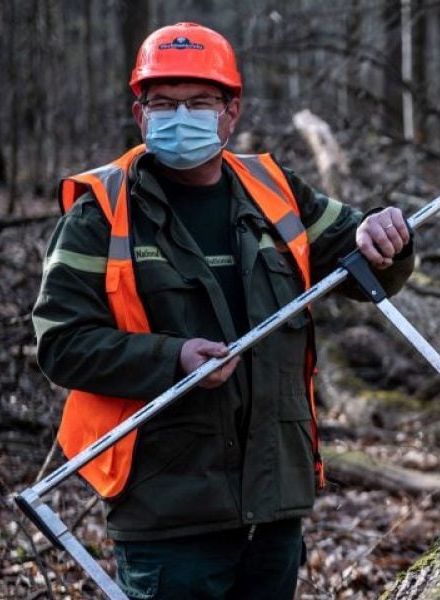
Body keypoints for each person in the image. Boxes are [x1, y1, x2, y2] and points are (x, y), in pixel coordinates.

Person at [31, 22, 413, 599]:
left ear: (230, 113)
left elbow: (359, 260)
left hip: (273, 501)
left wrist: (387, 238)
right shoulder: (99, 215)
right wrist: (172, 357)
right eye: (162, 103)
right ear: (141, 115)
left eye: (199, 102)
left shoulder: (275, 188)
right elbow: (61, 344)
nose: (179, 116)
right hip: (167, 510)